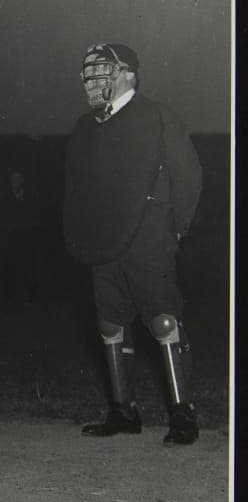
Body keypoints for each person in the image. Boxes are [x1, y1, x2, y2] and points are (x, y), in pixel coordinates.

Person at [64, 43, 202, 446]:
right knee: (110, 325)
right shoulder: (87, 126)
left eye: (103, 69)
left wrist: (174, 229)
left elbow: (188, 176)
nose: (94, 79)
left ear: (129, 73)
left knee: (162, 321)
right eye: (89, 72)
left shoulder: (159, 117)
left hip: (150, 236)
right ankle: (123, 410)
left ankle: (182, 412)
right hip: (103, 241)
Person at [1, 170, 41, 303]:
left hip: (28, 238)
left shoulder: (31, 196)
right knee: (12, 267)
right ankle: (12, 296)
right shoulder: (5, 198)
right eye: (13, 179)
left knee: (29, 267)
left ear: (22, 180)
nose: (15, 182)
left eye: (18, 179)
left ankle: (30, 295)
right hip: (12, 239)